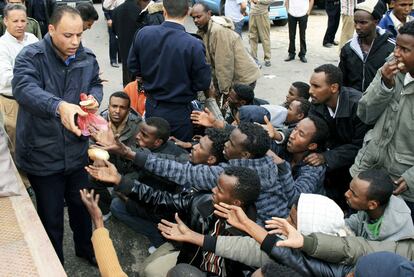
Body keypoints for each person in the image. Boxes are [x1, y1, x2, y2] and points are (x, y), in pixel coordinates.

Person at [12, 5, 103, 264]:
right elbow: (24, 88)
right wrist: (58, 106)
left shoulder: (86, 57)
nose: (75, 42)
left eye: (79, 35)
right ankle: (54, 264)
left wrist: (94, 99)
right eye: (67, 35)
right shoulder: (31, 57)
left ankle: (86, 249)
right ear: (51, 29)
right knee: (51, 219)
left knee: (82, 208)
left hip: (76, 150)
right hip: (42, 153)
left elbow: (96, 83)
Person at [350, 20, 414, 220]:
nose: (396, 53)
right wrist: (385, 85)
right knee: (358, 225)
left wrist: (411, 177)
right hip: (369, 168)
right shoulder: (389, 69)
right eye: (397, 46)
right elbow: (365, 114)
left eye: (405, 50)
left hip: (401, 182)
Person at [128, 0, 211, 142]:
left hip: (153, 106)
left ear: (164, 11)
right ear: (187, 12)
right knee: (178, 156)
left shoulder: (143, 34)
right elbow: (203, 83)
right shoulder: (194, 44)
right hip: (179, 112)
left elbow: (133, 67)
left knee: (152, 152)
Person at [154, 166, 261, 277]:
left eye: (219, 189)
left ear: (236, 202)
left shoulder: (254, 237)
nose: (213, 190)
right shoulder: (203, 203)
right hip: (191, 264)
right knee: (150, 271)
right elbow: (163, 199)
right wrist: (134, 187)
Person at [307, 64, 370, 209]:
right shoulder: (317, 103)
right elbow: (312, 130)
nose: (310, 91)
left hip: (354, 168)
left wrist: (326, 157)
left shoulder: (358, 105)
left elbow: (360, 146)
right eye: (311, 85)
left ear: (334, 88)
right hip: (333, 162)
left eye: (316, 86)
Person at [191, 3, 260, 101]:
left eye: (198, 17)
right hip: (233, 77)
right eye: (193, 18)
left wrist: (224, 91)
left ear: (209, 14)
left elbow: (223, 64)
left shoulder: (218, 31)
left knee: (235, 110)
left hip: (244, 78)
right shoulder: (204, 31)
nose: (196, 20)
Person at [90, 91, 141, 217]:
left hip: (130, 168)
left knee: (120, 196)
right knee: (90, 176)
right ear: (109, 106)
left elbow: (143, 153)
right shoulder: (99, 120)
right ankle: (106, 209)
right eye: (114, 106)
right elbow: (88, 141)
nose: (117, 111)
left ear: (129, 109)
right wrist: (97, 156)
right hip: (109, 163)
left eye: (122, 107)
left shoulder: (139, 125)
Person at [0, 4, 38, 159]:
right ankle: (23, 182)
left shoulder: (33, 39)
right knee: (17, 146)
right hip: (13, 103)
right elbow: (6, 78)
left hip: (35, 100)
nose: (20, 25)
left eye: (23, 20)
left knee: (35, 142)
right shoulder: (2, 45)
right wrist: (36, 76)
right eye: (15, 21)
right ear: (5, 21)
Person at [339, 0, 393, 92]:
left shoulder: (390, 47)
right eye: (355, 22)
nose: (358, 27)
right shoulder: (348, 48)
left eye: (363, 23)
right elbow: (342, 80)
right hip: (353, 102)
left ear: (376, 22)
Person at [344, 169, 414, 240]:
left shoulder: (394, 237)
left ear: (372, 205)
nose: (346, 194)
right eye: (350, 189)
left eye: (354, 194)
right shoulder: (371, 210)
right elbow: (352, 223)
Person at [249, 0, 272, 66]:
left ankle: (267, 59)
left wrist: (259, 0)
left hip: (263, 14)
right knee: (252, 37)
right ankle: (254, 58)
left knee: (265, 37)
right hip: (252, 14)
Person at [102, 0, 123, 67]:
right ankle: (113, 60)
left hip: (121, 18)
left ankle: (121, 58)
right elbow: (105, 9)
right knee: (113, 40)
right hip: (112, 19)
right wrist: (108, 19)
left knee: (121, 39)